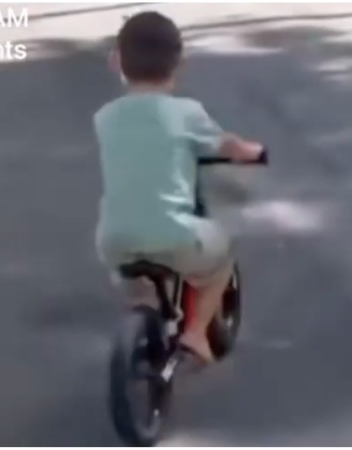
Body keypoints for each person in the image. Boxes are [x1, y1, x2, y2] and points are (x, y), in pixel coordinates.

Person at [94, 12, 264, 363]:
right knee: (222, 253)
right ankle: (197, 332)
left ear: (116, 62)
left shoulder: (105, 117)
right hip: (175, 236)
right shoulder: (187, 113)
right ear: (180, 63)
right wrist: (254, 152)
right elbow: (226, 145)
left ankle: (146, 314)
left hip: (114, 239)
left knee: (138, 281)